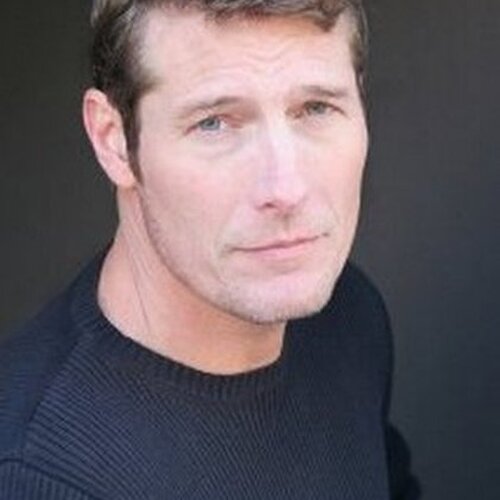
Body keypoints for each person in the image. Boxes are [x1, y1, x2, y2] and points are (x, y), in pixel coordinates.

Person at [0, 0, 420, 498]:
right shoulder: (35, 474)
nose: (286, 188)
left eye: (316, 108)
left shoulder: (349, 315)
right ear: (113, 140)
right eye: (214, 122)